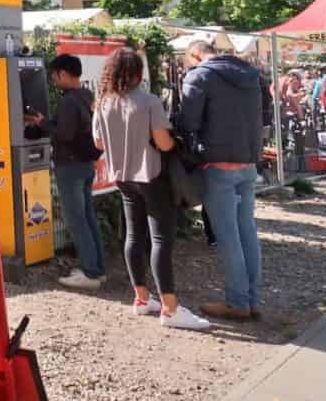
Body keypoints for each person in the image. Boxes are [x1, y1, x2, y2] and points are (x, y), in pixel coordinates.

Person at [93, 48, 211, 330]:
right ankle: (170, 309)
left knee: (133, 235)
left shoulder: (102, 103)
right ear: (137, 73)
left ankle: (142, 298)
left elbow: (99, 144)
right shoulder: (149, 102)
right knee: (160, 240)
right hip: (152, 175)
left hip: (121, 176)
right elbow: (164, 143)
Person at [179, 40, 267, 322]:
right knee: (247, 233)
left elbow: (187, 122)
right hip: (248, 163)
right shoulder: (250, 75)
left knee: (228, 237)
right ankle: (252, 300)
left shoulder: (200, 75)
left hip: (218, 165)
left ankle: (238, 302)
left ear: (195, 55)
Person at [26, 54, 105, 291]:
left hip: (69, 166)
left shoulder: (69, 101)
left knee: (76, 219)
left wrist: (42, 123)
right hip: (85, 165)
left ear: (62, 73)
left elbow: (64, 134)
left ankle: (90, 273)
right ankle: (97, 269)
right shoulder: (86, 95)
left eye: (54, 75)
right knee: (88, 217)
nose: (52, 80)